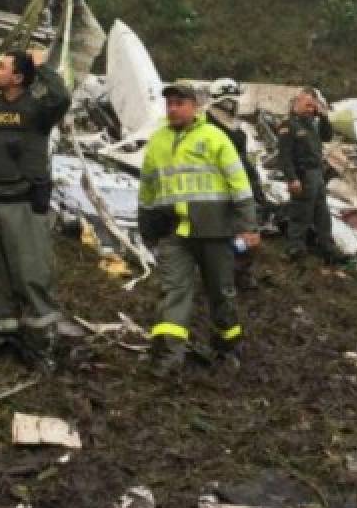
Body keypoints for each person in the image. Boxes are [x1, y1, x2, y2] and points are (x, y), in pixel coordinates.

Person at [0, 49, 72, 361]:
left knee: (31, 273)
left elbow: (61, 98)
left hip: (21, 204)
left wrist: (42, 66)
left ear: (18, 77)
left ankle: (39, 341)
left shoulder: (37, 110)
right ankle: (2, 335)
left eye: (1, 66)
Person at [140, 81, 260, 376]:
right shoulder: (157, 142)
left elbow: (240, 185)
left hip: (214, 231)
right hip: (175, 232)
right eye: (169, 103)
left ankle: (228, 347)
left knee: (220, 292)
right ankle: (169, 357)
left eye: (180, 103)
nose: (173, 109)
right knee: (174, 292)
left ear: (195, 106)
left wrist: (248, 226)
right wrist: (147, 229)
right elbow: (147, 189)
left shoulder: (215, 139)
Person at [207, 80, 267, 291]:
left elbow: (242, 159)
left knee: (246, 234)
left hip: (241, 185)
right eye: (229, 100)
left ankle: (241, 273)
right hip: (218, 190)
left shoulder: (234, 124)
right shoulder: (207, 126)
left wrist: (256, 189)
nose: (233, 104)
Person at [276, 88, 341, 262]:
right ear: (296, 102)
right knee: (301, 212)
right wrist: (292, 178)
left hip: (317, 174)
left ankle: (327, 246)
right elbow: (285, 156)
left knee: (322, 212)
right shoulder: (288, 125)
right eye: (307, 105)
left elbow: (327, 136)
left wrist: (323, 116)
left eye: (313, 106)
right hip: (302, 175)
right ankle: (295, 248)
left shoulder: (311, 123)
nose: (310, 109)